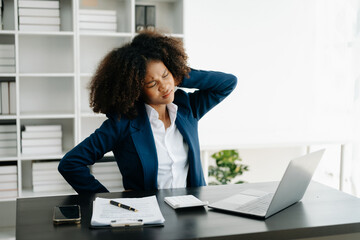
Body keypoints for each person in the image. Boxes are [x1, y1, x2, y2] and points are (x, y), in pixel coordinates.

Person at [58, 30, 237, 194]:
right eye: (152, 84)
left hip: (192, 213)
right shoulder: (123, 123)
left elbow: (227, 83)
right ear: (135, 90)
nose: (164, 86)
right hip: (150, 219)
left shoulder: (187, 108)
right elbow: (71, 164)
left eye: (165, 75)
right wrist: (108, 199)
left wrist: (179, 73)